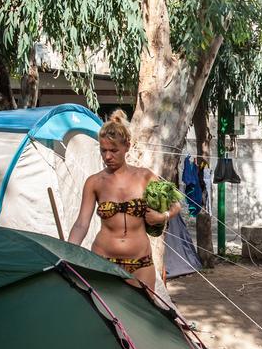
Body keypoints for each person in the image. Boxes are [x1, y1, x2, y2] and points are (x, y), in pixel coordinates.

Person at [67, 110, 181, 291]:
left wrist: (162, 217)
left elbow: (176, 205)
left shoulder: (145, 176)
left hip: (141, 264)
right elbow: (82, 224)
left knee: (144, 315)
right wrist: (67, 253)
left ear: (127, 146)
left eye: (113, 150)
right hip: (103, 262)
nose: (107, 157)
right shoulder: (94, 182)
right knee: (105, 316)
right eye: (103, 150)